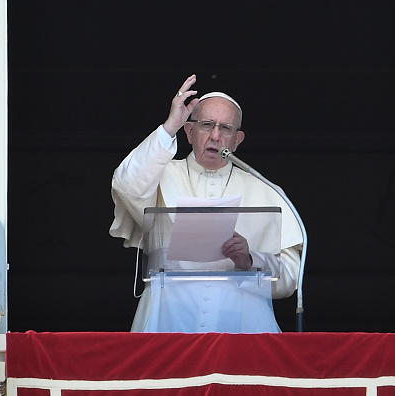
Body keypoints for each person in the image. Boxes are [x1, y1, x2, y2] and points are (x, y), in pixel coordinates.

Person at [110, 74, 303, 333]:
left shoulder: (265, 190)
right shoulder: (160, 174)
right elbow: (125, 184)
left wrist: (249, 260)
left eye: (226, 128)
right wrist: (170, 125)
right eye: (206, 125)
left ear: (238, 140)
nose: (215, 136)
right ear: (189, 131)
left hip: (243, 324)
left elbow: (289, 279)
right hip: (167, 318)